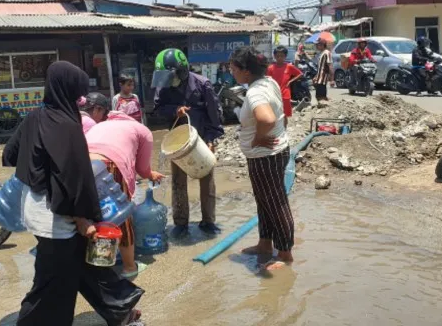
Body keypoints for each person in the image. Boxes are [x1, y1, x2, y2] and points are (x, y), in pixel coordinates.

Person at [2, 62, 144, 326]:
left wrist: (36, 165)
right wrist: (83, 218)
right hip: (58, 217)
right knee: (51, 284)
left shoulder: (34, 117)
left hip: (34, 209)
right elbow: (71, 178)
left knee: (86, 265)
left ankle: (122, 312)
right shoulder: (67, 125)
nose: (80, 101)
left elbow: (10, 156)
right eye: (77, 94)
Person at [228, 46, 294, 271]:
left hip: (266, 155)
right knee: (264, 200)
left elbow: (266, 119)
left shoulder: (256, 92)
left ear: (246, 72)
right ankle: (265, 244)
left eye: (233, 68)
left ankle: (285, 253)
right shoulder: (268, 82)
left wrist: (257, 138)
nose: (231, 71)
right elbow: (279, 114)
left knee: (275, 202)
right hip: (270, 153)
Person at [84, 106, 165, 279]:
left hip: (81, 165)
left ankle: (98, 263)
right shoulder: (142, 130)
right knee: (120, 216)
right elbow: (143, 169)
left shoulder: (100, 125)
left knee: (92, 216)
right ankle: (129, 267)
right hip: (108, 166)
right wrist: (151, 174)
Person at [151, 48, 224, 238]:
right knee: (178, 182)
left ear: (182, 70)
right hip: (178, 142)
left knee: (207, 181)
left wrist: (211, 139)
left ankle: (208, 221)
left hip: (201, 140)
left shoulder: (202, 84)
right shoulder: (163, 84)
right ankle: (181, 222)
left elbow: (215, 116)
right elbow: (158, 109)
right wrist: (175, 110)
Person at [267, 46, 303, 127]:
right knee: (274, 114)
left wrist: (290, 81)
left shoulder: (289, 66)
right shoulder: (270, 68)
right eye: (277, 56)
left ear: (285, 56)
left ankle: (284, 130)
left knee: (285, 115)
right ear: (274, 56)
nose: (279, 58)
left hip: (285, 94)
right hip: (274, 94)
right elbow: (267, 80)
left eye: (282, 56)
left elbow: (300, 74)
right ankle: (276, 131)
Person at [313, 37, 335, 104]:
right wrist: (316, 76)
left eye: (318, 45)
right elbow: (321, 68)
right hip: (319, 79)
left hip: (322, 80)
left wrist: (332, 80)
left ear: (322, 45)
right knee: (318, 97)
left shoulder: (326, 53)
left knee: (321, 98)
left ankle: (329, 105)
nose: (316, 46)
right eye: (316, 45)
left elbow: (330, 66)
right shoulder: (322, 53)